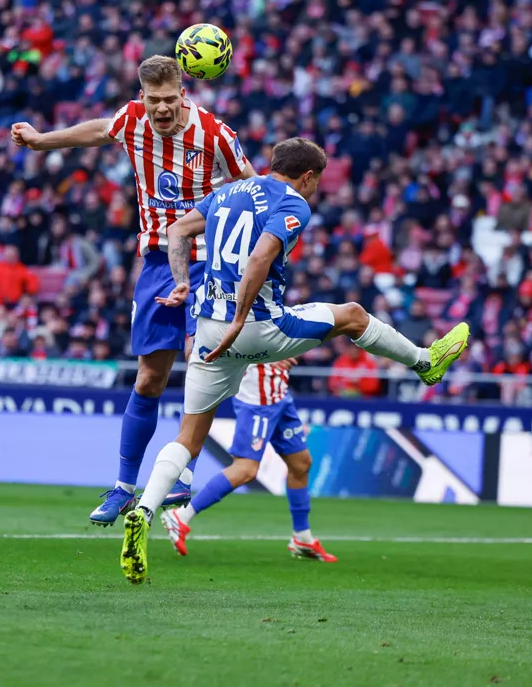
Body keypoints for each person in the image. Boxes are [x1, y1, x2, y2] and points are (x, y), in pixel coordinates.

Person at [120, 138, 469, 583]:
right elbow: (262, 256)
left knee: (189, 437)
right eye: (317, 182)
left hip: (207, 329)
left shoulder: (226, 191)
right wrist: (241, 319)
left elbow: (176, 232)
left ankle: (144, 513)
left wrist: (182, 282)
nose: (315, 190)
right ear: (307, 177)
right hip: (255, 326)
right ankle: (425, 361)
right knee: (353, 315)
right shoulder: (293, 203)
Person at [10, 54, 254, 525]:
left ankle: (180, 474)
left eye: (169, 100)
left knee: (197, 360)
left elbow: (252, 190)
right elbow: (98, 129)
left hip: (209, 261)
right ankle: (124, 486)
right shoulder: (132, 120)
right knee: (149, 379)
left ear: (183, 94)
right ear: (141, 97)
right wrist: (42, 142)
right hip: (158, 261)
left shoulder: (216, 134)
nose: (162, 109)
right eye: (153, 100)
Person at [161, 360, 338, 563]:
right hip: (257, 399)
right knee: (245, 468)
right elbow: (244, 334)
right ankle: (182, 515)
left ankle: (302, 537)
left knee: (301, 463)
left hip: (279, 393)